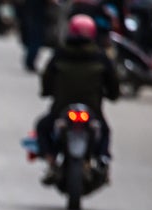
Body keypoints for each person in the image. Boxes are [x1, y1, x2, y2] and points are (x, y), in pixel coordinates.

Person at [34, 13, 120, 184]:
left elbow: (47, 78)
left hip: (61, 109)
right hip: (92, 110)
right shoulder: (101, 57)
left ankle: (51, 160)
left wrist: (46, 92)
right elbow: (113, 83)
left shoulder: (60, 54)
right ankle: (103, 160)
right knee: (104, 132)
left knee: (42, 127)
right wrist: (112, 95)